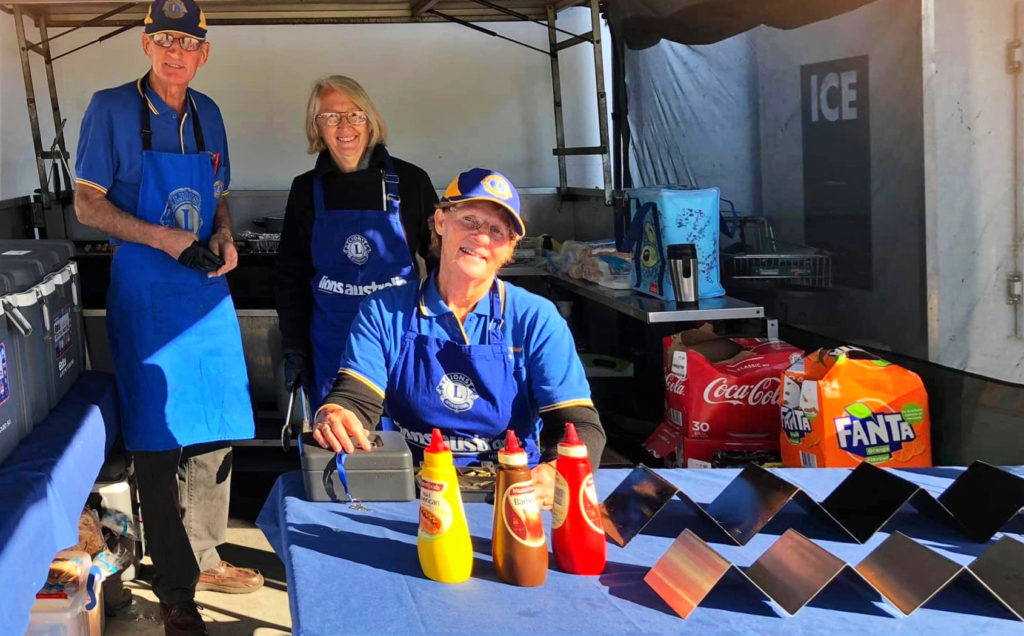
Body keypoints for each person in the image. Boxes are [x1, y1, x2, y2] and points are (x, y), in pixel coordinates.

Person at [74, 1, 261, 634]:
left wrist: (226, 238)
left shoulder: (209, 114)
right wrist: (162, 239)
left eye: (188, 42)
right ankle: (176, 587)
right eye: (164, 39)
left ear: (204, 53)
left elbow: (219, 198)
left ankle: (206, 556)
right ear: (146, 45)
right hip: (148, 291)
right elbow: (88, 206)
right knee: (156, 440)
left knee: (215, 431)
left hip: (205, 293)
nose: (176, 52)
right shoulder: (110, 108)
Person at [312, 168, 605, 507]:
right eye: (470, 220)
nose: (482, 237)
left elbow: (580, 425)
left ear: (509, 249)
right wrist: (334, 412)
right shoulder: (384, 310)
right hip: (415, 492)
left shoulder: (535, 318)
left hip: (513, 496)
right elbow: (355, 399)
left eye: (498, 231)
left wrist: (558, 471)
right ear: (440, 221)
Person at [275, 76, 438, 409]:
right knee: (343, 446)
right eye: (330, 116)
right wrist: (295, 347)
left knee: (412, 444)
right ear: (316, 127)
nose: (344, 126)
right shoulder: (306, 189)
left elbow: (440, 259)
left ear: (370, 120)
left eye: (355, 114)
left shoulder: (411, 181)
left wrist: (442, 329)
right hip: (332, 347)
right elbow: (290, 275)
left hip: (402, 341)